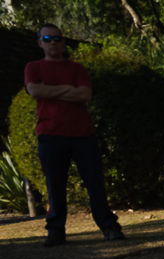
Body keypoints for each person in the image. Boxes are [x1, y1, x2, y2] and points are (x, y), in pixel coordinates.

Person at [24, 23, 125, 247]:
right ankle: (56, 231)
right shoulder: (34, 67)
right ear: (40, 42)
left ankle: (109, 226)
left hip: (83, 135)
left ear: (63, 42)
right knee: (55, 185)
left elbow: (85, 94)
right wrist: (68, 89)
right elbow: (34, 90)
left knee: (95, 183)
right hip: (50, 135)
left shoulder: (78, 68)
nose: (53, 42)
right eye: (47, 38)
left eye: (57, 38)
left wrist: (51, 90)